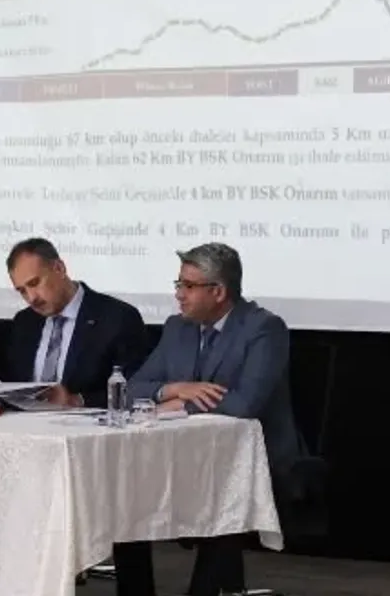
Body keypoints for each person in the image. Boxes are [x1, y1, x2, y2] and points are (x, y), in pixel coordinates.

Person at [117, 242, 305, 596]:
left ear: (218, 291)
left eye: (188, 286)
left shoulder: (264, 329)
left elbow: (246, 403)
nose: (179, 295)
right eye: (178, 284)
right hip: (181, 457)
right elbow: (130, 391)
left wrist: (180, 405)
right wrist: (174, 388)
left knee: (224, 498)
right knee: (124, 494)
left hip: (251, 463)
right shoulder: (178, 327)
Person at [0, 237, 150, 407]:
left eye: (35, 283)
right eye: (22, 291)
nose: (31, 298)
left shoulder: (117, 318)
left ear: (59, 268)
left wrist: (76, 400)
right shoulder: (25, 321)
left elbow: (136, 388)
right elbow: (14, 379)